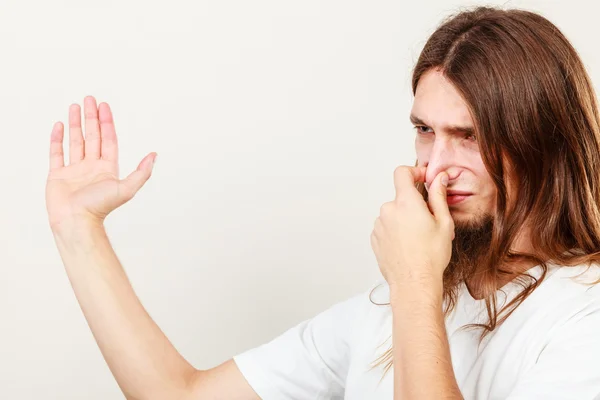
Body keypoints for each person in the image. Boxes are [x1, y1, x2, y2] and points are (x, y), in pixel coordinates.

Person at [45, 5, 600, 400]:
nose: (436, 165)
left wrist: (413, 282)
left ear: (543, 140)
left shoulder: (583, 316)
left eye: (470, 135)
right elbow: (178, 395)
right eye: (425, 130)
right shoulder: (392, 307)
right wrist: (80, 230)